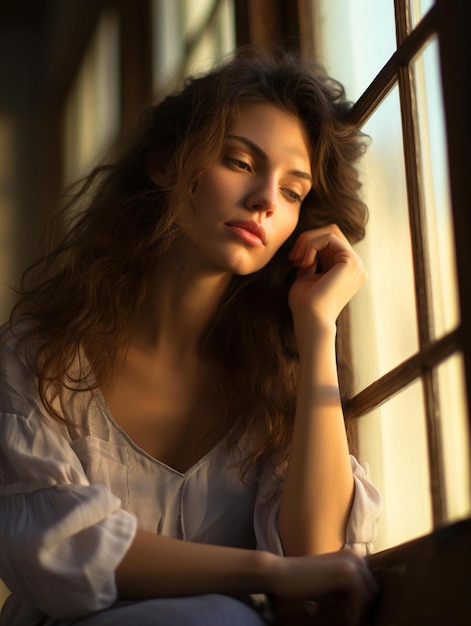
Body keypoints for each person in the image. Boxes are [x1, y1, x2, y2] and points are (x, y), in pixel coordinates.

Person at [0, 46, 381, 626]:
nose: (265, 201)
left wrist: (316, 327)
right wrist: (263, 573)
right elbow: (58, 551)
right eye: (239, 161)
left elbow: (318, 558)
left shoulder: (273, 381)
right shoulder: (39, 356)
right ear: (163, 164)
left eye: (293, 192)